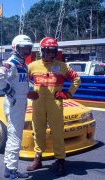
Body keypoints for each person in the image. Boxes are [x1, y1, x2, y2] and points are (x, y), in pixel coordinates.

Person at [26, 37, 81, 176]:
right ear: (42, 51)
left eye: (53, 51)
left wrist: (68, 93)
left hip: (55, 104)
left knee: (57, 133)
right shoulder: (32, 66)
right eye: (48, 51)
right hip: (38, 104)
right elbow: (22, 81)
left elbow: (76, 79)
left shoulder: (62, 66)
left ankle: (61, 160)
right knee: (38, 132)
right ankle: (38, 159)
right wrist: (28, 92)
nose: (50, 54)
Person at [0, 34, 36, 179]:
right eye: (23, 49)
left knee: (16, 135)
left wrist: (27, 93)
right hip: (14, 103)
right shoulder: (12, 63)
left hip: (20, 101)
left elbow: (21, 83)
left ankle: (10, 169)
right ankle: (11, 171)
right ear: (15, 48)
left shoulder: (22, 64)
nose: (26, 52)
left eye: (28, 49)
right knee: (15, 137)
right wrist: (9, 91)